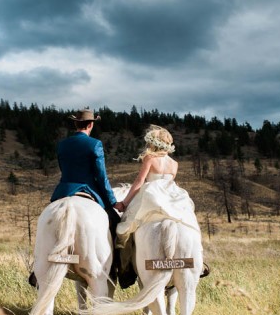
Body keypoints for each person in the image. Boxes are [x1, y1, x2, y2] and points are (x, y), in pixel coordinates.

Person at [29, 108, 131, 287]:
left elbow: (64, 169)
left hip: (64, 192)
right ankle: (119, 268)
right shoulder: (95, 144)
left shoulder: (62, 145)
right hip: (89, 192)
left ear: (75, 124)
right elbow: (101, 176)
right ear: (91, 124)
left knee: (47, 224)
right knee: (115, 225)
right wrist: (113, 202)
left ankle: (37, 271)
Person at [116, 124, 201, 249]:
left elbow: (139, 181)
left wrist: (124, 203)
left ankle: (125, 253)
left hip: (151, 194)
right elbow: (169, 183)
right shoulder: (174, 164)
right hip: (170, 197)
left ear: (153, 143)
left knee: (127, 223)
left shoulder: (149, 158)